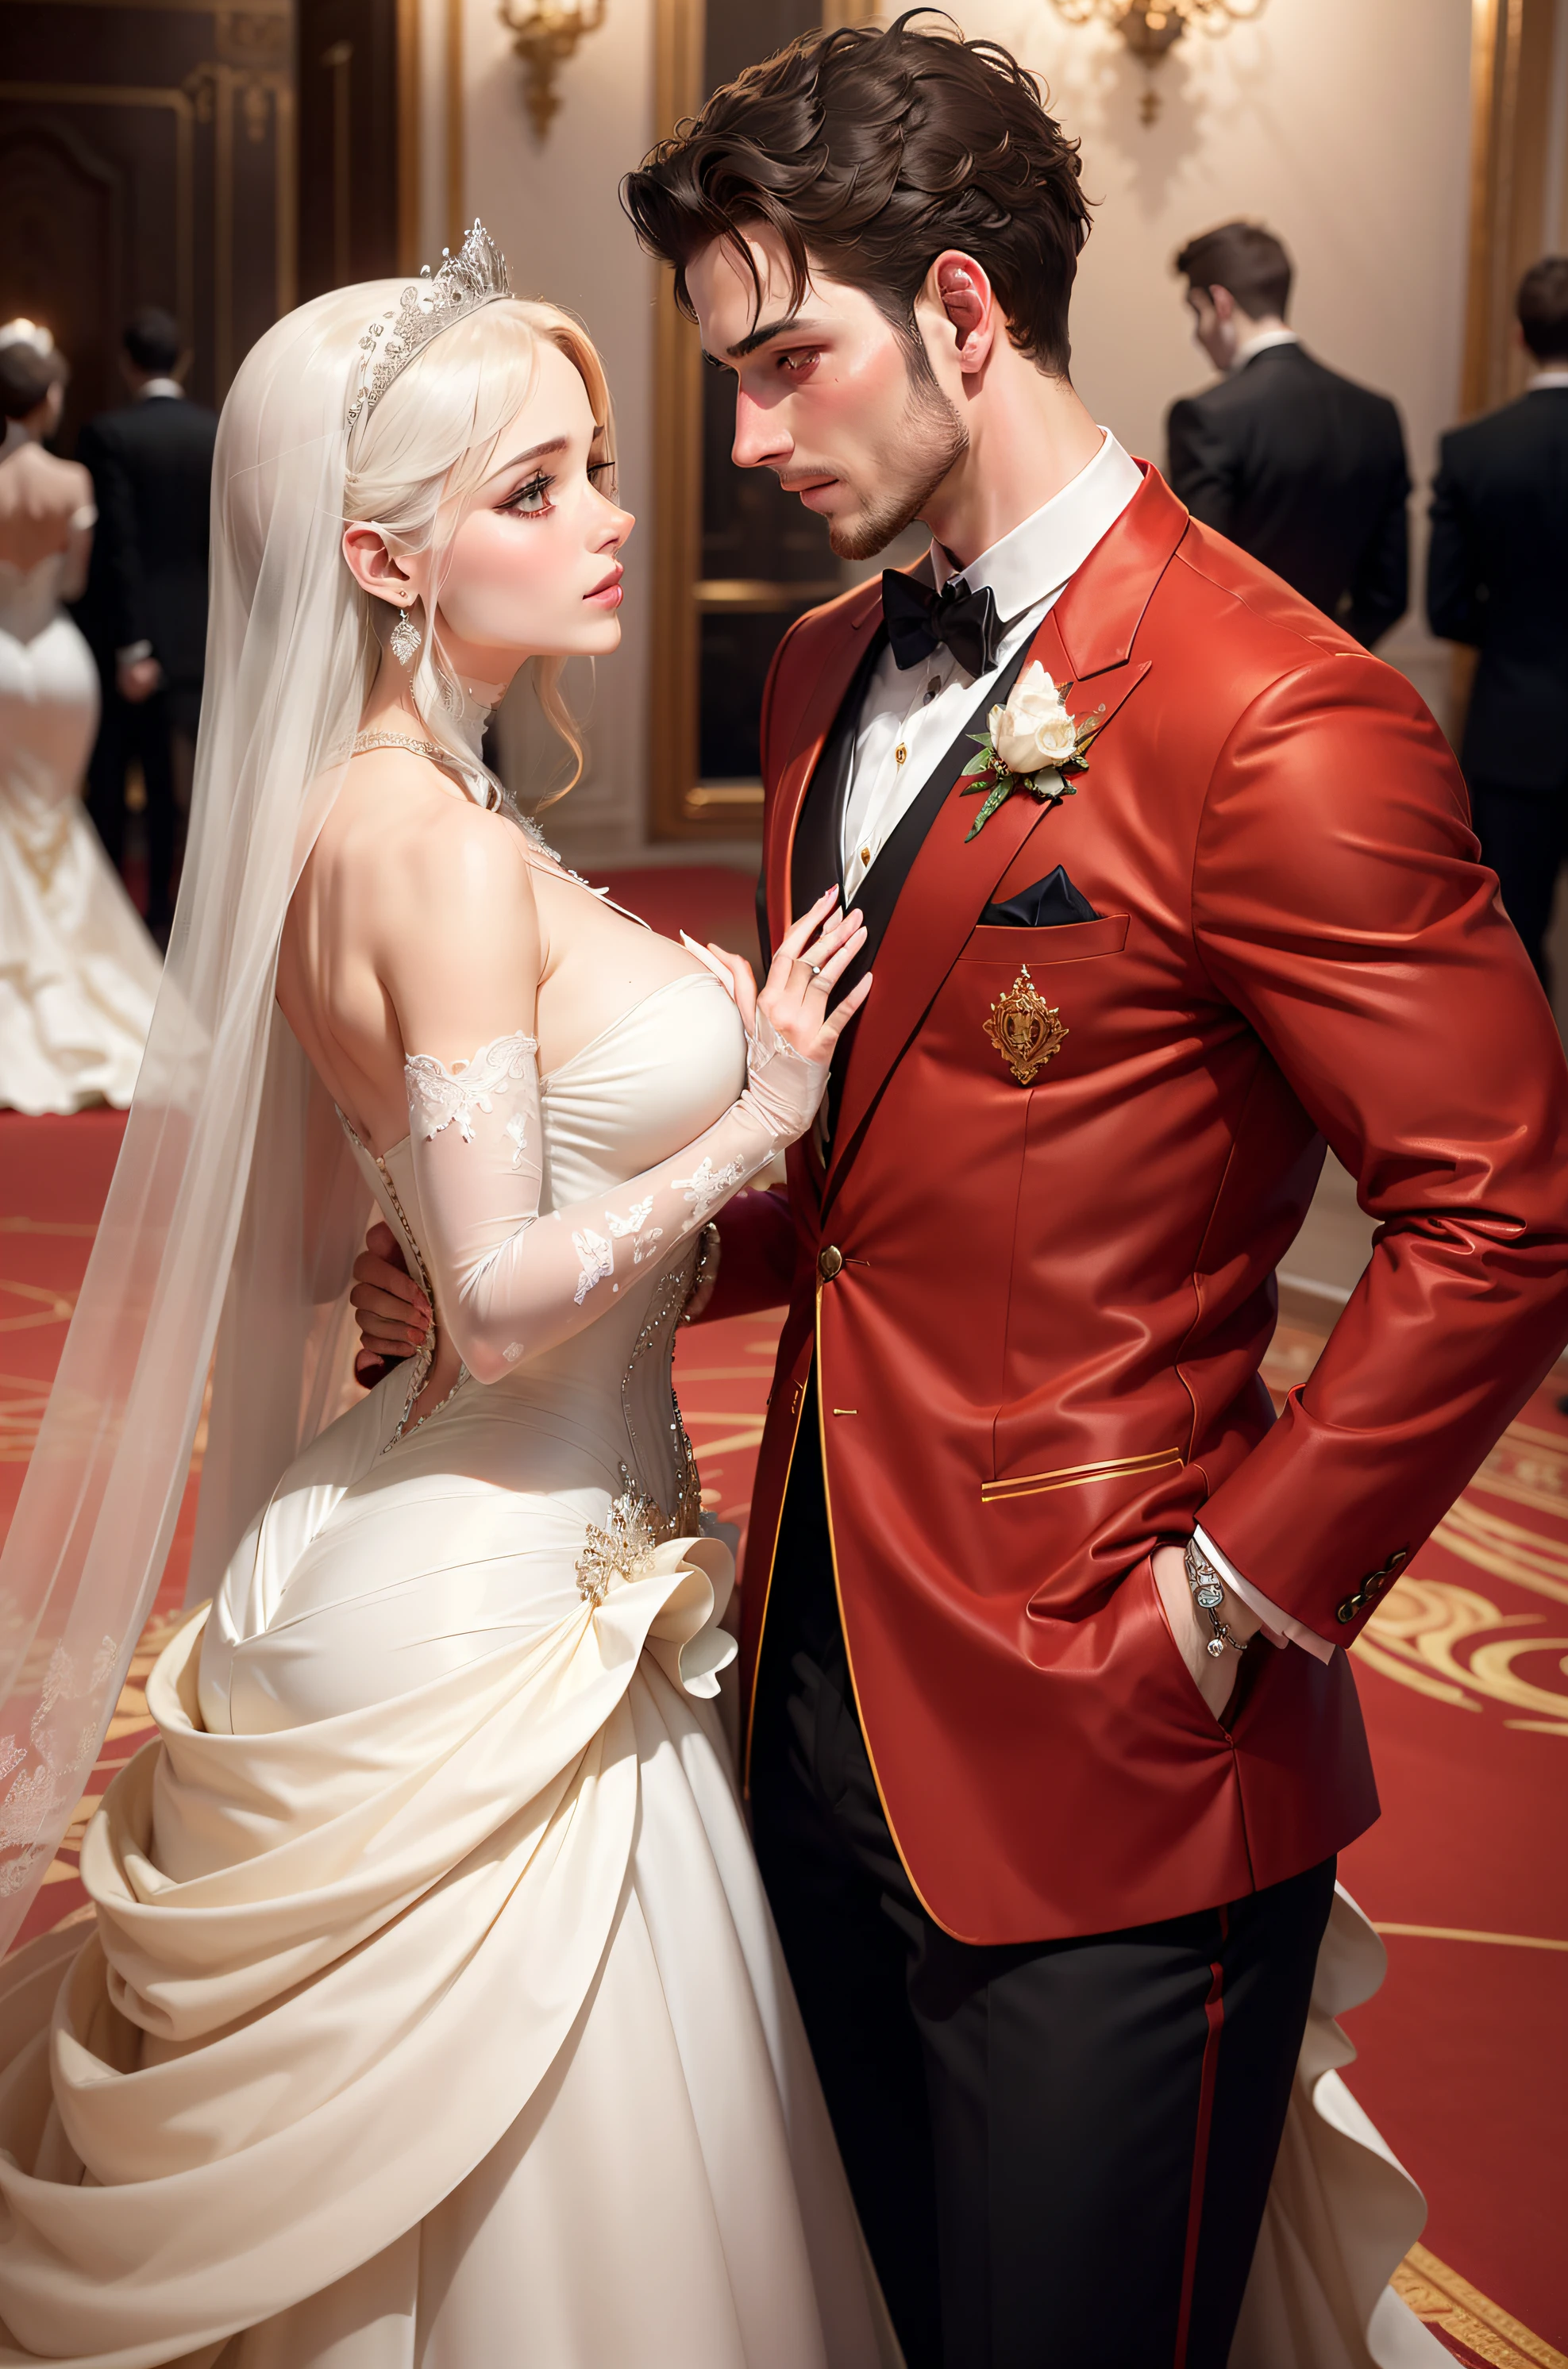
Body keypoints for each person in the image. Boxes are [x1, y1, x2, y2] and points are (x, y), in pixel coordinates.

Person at [590, 18, 1568, 2368]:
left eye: (784, 362)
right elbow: (856, 1179)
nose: (745, 441)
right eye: (721, 378)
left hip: (1126, 1748)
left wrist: (1231, 1597)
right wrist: (549, 1279)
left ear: (960, 311)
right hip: (813, 1684)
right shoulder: (819, 669)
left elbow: (1509, 1220)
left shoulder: (1280, 714)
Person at [0, 229, 900, 2364]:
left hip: (451, 1543)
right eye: (536, 490)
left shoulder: (383, 814)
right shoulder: (430, 851)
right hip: (496, 1613)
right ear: (380, 559)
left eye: (593, 472)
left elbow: (379, 1249)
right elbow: (497, 1306)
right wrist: (755, 1115)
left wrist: (435, 1244)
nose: (610, 522)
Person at [1427, 256, 1568, 1420]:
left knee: (1515, 1003)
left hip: (1512, 741)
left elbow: (1449, 611)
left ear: (1520, 332)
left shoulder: (1473, 451)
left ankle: (1514, 1248)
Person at [0, 322, 163, 1113]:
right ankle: (76, 987)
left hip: (0, 659)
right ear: (49, 399)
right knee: (55, 821)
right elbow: (71, 585)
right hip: (60, 665)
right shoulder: (71, 480)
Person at [1167, 219, 1412, 647]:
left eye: (1197, 312)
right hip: (1339, 670)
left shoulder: (1208, 417)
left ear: (1221, 303)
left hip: (1242, 676)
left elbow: (1201, 584)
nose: (1197, 335)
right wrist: (1325, 656)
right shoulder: (1377, 414)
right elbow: (1388, 597)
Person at [75, 306, 218, 943]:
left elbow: (120, 548)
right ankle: (175, 910)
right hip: (202, 633)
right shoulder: (214, 431)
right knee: (191, 786)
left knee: (122, 781)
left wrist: (132, 642)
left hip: (134, 641)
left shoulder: (109, 433)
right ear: (181, 360)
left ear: (127, 362)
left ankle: (122, 918)